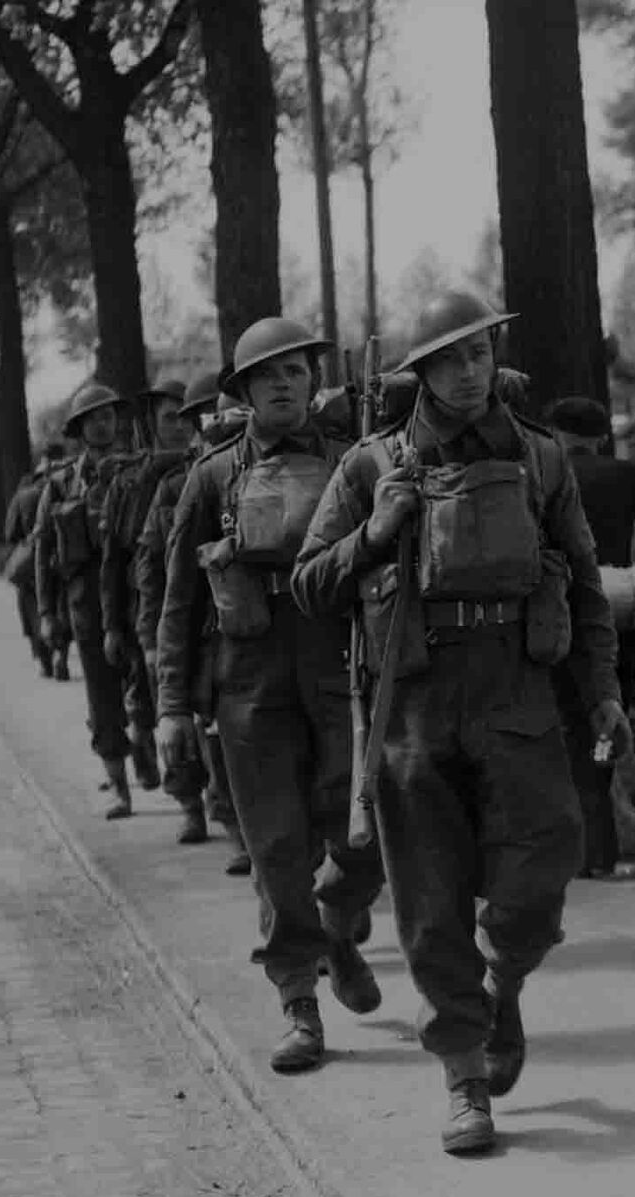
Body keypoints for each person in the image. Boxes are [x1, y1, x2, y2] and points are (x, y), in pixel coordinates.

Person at [291, 291, 627, 1155]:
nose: (470, 370)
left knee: (546, 864)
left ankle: (501, 976)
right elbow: (309, 584)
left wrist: (603, 690)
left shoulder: (541, 458)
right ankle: (465, 1079)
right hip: (414, 706)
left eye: (480, 353)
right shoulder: (372, 464)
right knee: (430, 900)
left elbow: (586, 584)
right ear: (423, 373)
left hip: (517, 694)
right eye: (451, 358)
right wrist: (376, 531)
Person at [158, 320, 390, 1077]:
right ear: (246, 393)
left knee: (364, 836)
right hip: (249, 680)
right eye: (269, 376)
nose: (285, 385)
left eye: (296, 372)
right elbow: (179, 601)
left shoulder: (352, 460)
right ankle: (299, 1002)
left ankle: (337, 929)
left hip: (339, 670)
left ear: (312, 382)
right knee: (276, 848)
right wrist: (170, 706)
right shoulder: (212, 478)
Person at [136, 369, 249, 873]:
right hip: (200, 632)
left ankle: (239, 827)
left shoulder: (258, 470)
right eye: (204, 416)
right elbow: (154, 572)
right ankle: (198, 808)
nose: (214, 423)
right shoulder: (179, 486)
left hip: (249, 627)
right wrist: (149, 637)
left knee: (229, 741)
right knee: (205, 733)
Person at [545, 395, 635, 879]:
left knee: (565, 729)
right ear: (602, 437)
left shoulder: (542, 473)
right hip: (615, 613)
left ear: (556, 433)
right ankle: (603, 848)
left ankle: (572, 850)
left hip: (554, 614)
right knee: (605, 726)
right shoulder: (625, 476)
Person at [35, 383, 159, 817]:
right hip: (86, 606)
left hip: (135, 599)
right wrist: (46, 613)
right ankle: (119, 788)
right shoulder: (60, 484)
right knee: (102, 702)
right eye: (93, 419)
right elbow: (43, 553)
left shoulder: (140, 471)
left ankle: (143, 741)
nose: (102, 424)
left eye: (108, 416)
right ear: (79, 428)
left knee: (147, 685)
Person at [103, 377, 207, 844]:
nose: (181, 426)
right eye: (170, 418)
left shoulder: (212, 465)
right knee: (164, 710)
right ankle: (189, 804)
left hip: (209, 611)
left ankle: (222, 805)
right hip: (154, 612)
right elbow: (119, 562)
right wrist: (121, 627)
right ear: (151, 423)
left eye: (188, 416)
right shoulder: (133, 482)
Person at [5, 450, 67, 681]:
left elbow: (10, 533)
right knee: (61, 605)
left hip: (31, 561)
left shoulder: (23, 496)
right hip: (60, 559)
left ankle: (43, 657)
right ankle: (61, 652)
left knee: (32, 607)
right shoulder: (64, 491)